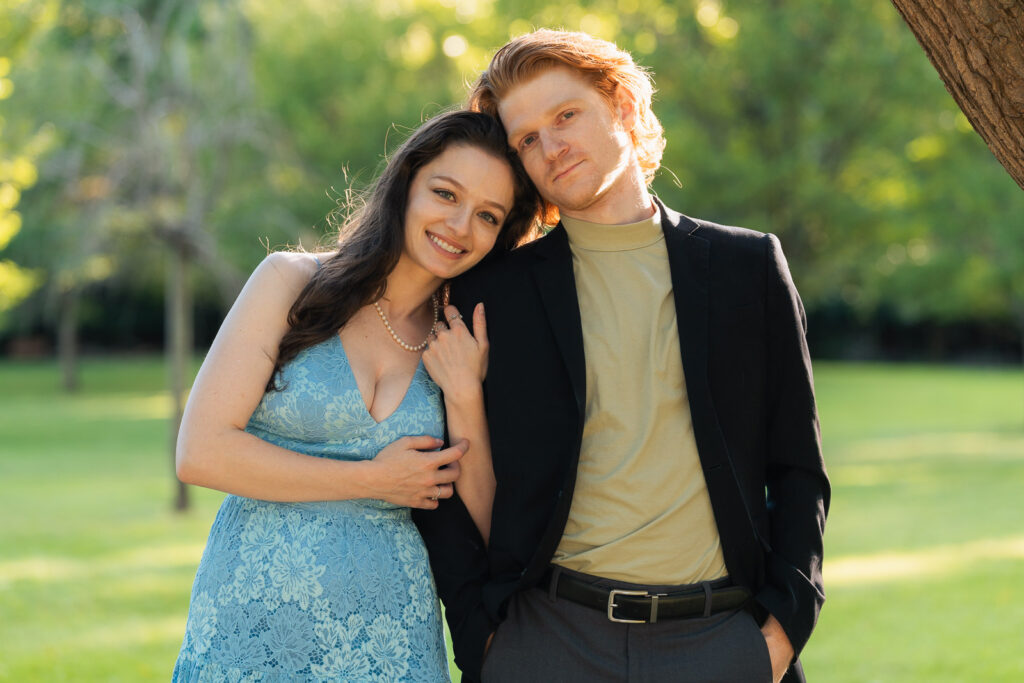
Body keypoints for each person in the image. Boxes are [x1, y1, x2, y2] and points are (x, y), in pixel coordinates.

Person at [413, 30, 830, 683]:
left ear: (624, 107)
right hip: (547, 644)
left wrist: (780, 634)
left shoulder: (748, 268)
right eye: (526, 139)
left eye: (565, 116)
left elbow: (798, 469)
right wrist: (484, 640)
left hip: (720, 642)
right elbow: (443, 479)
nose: (549, 147)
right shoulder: (492, 293)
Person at [171, 110, 542, 682]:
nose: (460, 225)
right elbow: (200, 452)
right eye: (446, 193)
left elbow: (490, 522)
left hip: (390, 639)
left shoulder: (469, 338)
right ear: (406, 185)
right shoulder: (290, 283)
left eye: (487, 216)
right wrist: (370, 480)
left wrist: (465, 392)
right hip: (250, 623)